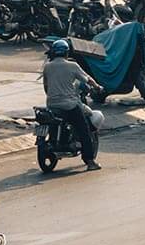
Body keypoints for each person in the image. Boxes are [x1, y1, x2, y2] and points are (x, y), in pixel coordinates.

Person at [42, 39, 102, 171]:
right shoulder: (72, 66)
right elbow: (88, 79)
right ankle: (90, 161)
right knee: (84, 130)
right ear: (67, 53)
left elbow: (46, 87)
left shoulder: (47, 66)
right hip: (70, 105)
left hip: (52, 105)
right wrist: (97, 87)